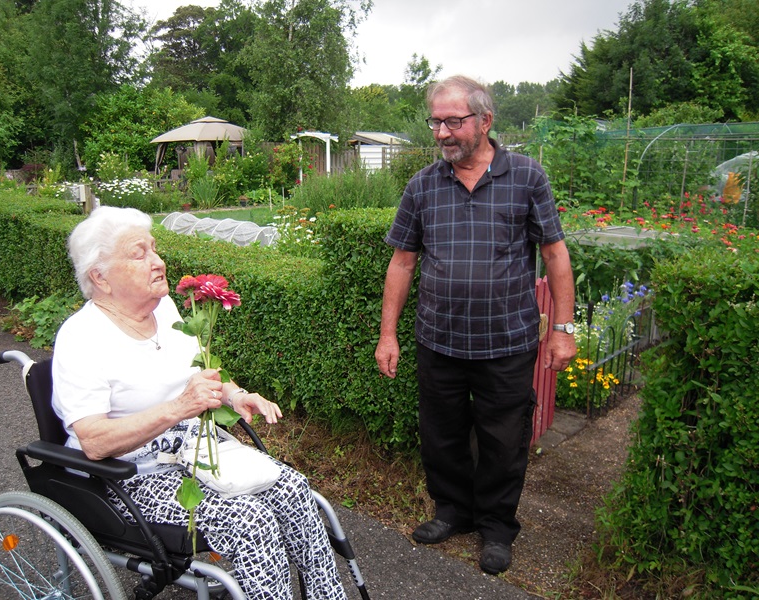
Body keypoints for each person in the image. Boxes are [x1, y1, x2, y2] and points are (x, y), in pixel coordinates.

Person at [52, 206, 347, 600]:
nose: (158, 262)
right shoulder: (81, 338)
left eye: (155, 249)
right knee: (251, 520)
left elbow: (205, 372)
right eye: (139, 254)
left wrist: (237, 395)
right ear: (100, 277)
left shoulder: (168, 309)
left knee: (294, 489)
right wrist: (178, 408)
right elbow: (95, 441)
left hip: (195, 448)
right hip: (129, 476)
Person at [374, 75, 577, 575]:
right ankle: (452, 512)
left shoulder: (528, 176)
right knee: (441, 435)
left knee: (504, 441)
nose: (442, 133)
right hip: (439, 340)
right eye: (436, 122)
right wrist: (388, 332)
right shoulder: (423, 184)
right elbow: (402, 262)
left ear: (485, 121)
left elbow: (555, 254)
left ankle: (496, 527)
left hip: (506, 342)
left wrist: (563, 329)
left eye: (453, 121)